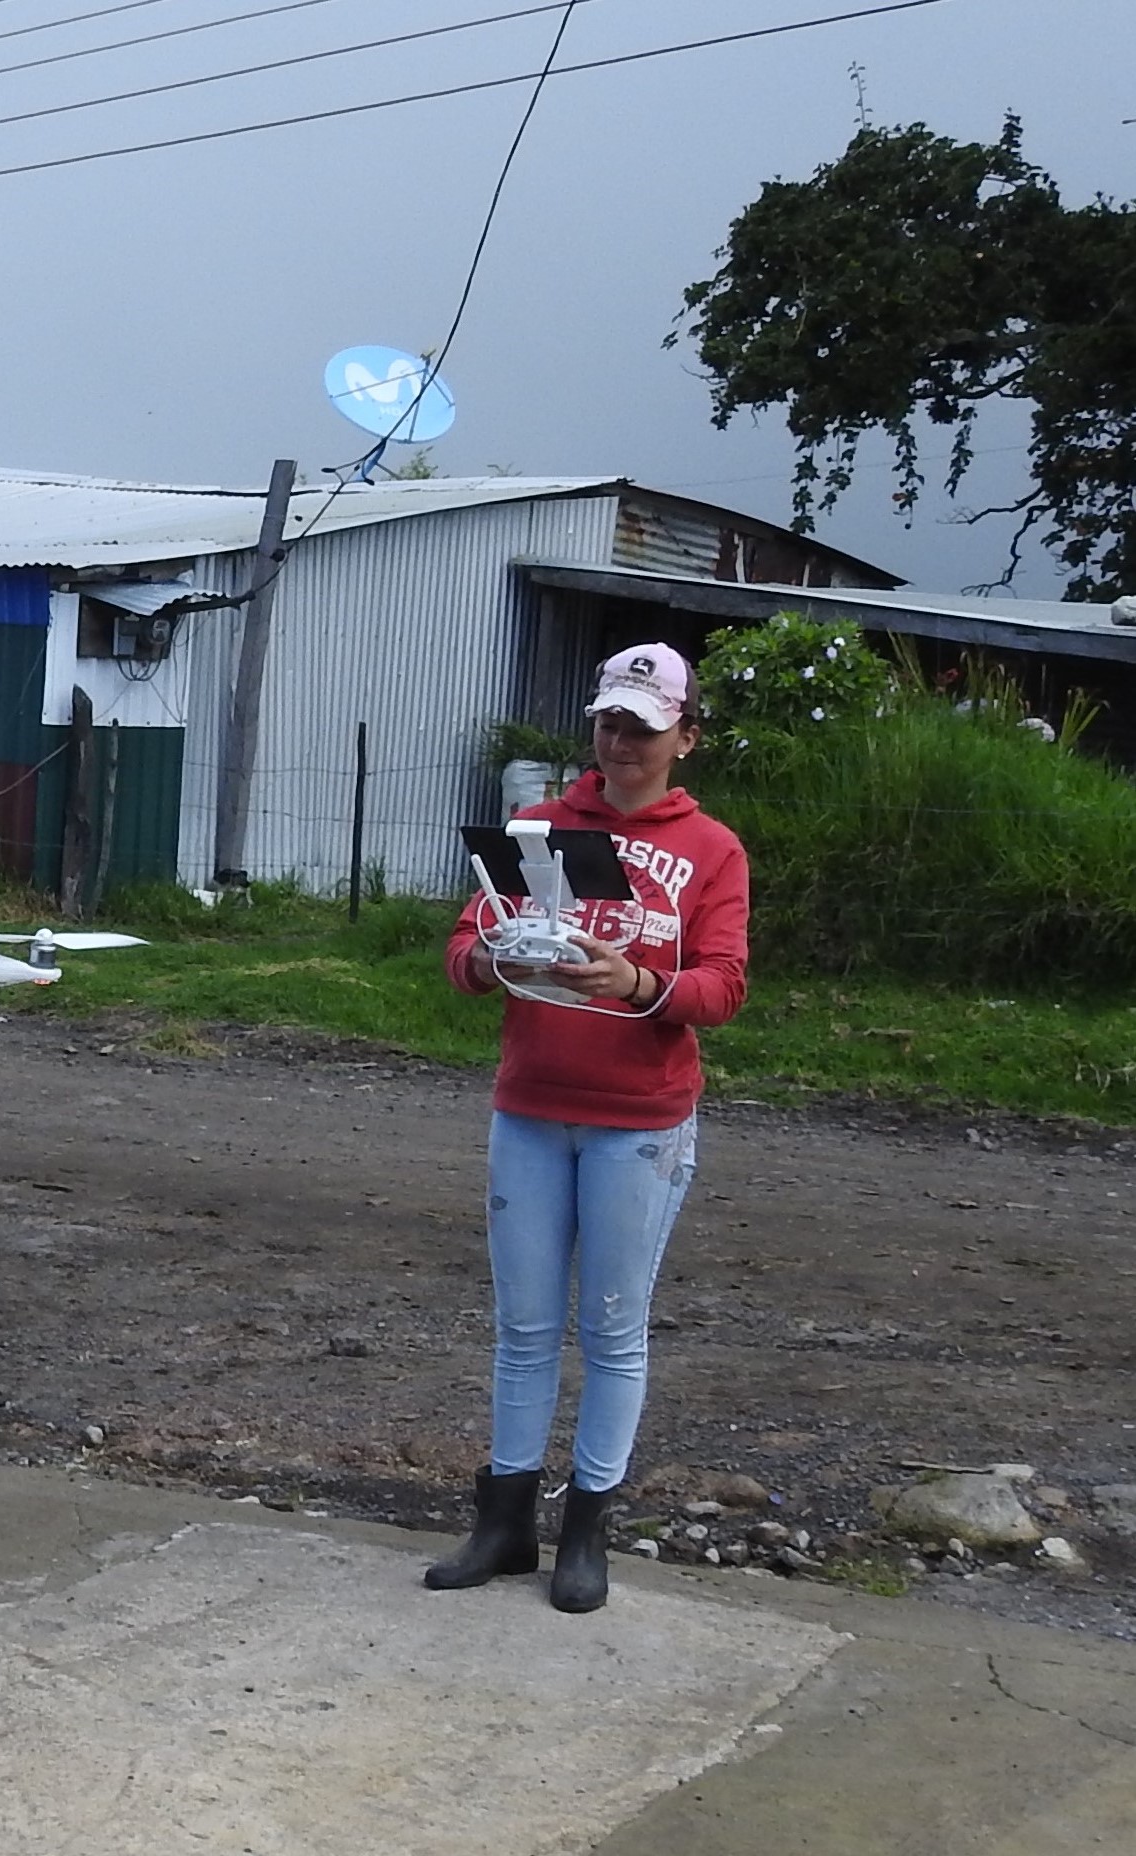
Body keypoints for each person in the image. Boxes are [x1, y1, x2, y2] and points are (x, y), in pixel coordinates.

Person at [426, 642, 749, 1612]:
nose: (620, 742)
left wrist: (639, 983)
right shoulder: (533, 827)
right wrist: (485, 958)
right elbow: (459, 945)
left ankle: (586, 1527)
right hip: (528, 1105)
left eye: (643, 728)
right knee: (522, 1326)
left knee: (610, 1328)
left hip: (636, 1120)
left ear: (683, 737)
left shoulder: (710, 849)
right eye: (609, 721)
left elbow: (723, 985)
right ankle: (502, 1518)